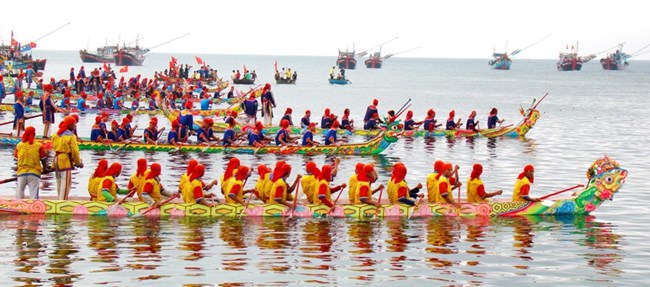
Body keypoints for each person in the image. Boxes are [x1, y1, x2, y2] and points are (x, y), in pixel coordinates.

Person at [52, 116, 83, 200]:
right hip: (65, 160)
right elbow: (75, 151)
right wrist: (78, 163)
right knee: (65, 184)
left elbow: (54, 147)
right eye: (74, 124)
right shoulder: (71, 136)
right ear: (70, 125)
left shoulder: (55, 134)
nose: (75, 126)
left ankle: (59, 199)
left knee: (59, 182)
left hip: (56, 159)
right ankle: (62, 202)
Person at [14, 126, 48, 199]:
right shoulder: (38, 145)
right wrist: (44, 168)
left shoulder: (19, 145)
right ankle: (34, 208)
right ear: (34, 134)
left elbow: (17, 158)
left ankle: (18, 207)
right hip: (34, 173)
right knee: (34, 193)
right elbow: (43, 159)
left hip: (21, 172)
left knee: (19, 192)